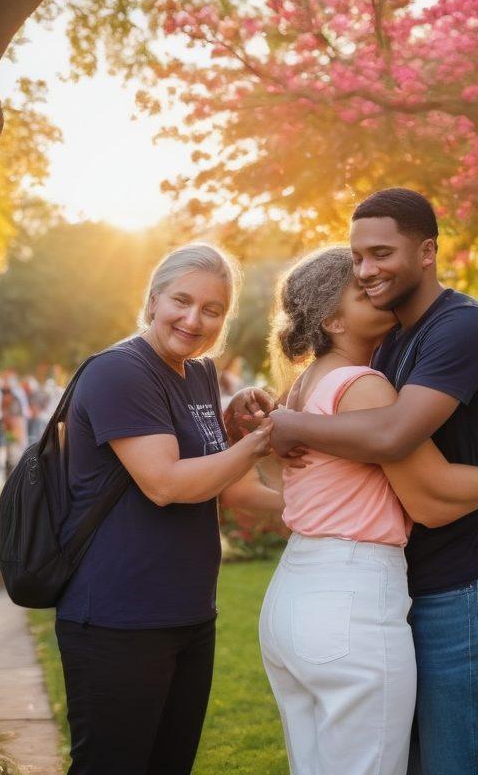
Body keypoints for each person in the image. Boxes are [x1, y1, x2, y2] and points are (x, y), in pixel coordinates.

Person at [259, 188, 478, 775]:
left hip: (458, 583)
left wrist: (286, 421)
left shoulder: (459, 328)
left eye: (380, 254)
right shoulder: (382, 350)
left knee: (449, 762)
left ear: (426, 251)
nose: (367, 270)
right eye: (357, 261)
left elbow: (401, 453)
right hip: (372, 589)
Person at [55, 242, 282, 775]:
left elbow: (229, 487)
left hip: (187, 613)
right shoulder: (120, 371)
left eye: (212, 309)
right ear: (153, 299)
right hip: (118, 618)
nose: (193, 318)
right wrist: (256, 443)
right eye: (181, 300)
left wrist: (332, 515)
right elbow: (164, 483)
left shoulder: (198, 373)